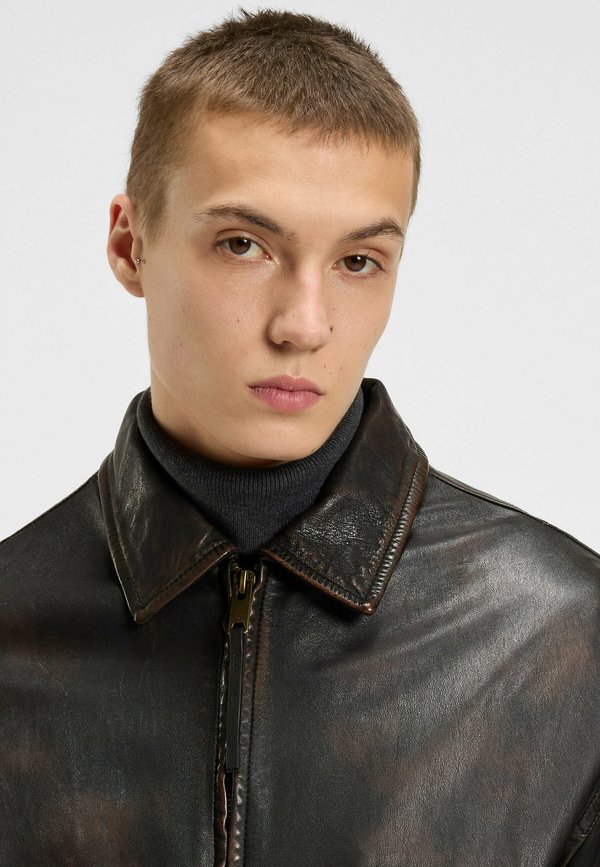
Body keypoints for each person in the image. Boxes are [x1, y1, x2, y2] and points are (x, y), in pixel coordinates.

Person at [1, 8, 599, 866]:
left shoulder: (565, 639)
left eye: (358, 261)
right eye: (243, 245)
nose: (304, 325)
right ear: (130, 244)